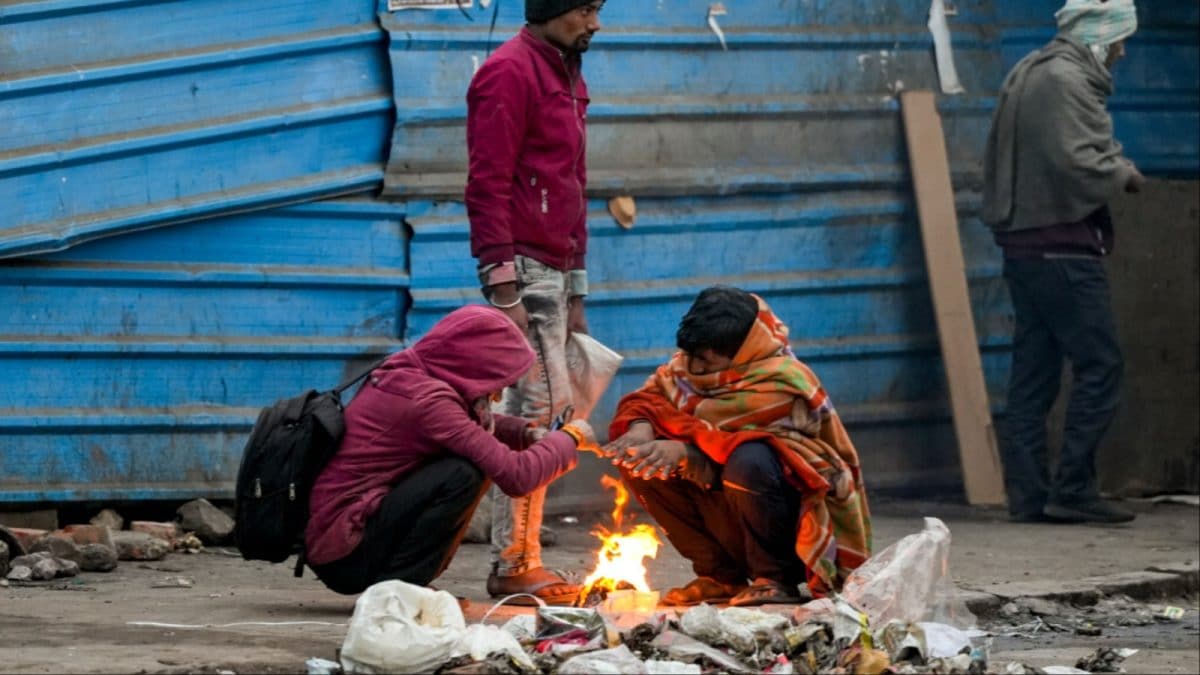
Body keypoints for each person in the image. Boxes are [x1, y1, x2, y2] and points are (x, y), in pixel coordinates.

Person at [603, 287, 871, 606]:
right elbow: (646, 401)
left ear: (742, 352)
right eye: (690, 356)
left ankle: (773, 577)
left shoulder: (787, 382)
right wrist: (640, 429)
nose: (694, 368)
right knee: (642, 462)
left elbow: (773, 451)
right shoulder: (682, 370)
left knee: (749, 460)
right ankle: (720, 577)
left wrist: (688, 453)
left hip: (794, 522)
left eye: (705, 360)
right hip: (726, 509)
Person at [464, 0, 604, 604]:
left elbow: (573, 182)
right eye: (585, 9)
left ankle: (518, 556)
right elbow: (486, 182)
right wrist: (503, 286)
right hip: (524, 269)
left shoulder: (565, 70)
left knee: (541, 411)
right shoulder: (509, 72)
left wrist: (577, 290)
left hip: (556, 272)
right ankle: (516, 562)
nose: (595, 23)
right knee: (545, 415)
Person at [303, 306, 595, 596]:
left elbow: (467, 425)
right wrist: (571, 436)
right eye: (497, 383)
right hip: (346, 552)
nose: (497, 396)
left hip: (343, 540)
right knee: (465, 472)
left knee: (468, 461)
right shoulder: (428, 401)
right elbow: (517, 476)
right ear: (474, 364)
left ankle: (404, 585)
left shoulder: (413, 374)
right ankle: (403, 589)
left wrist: (525, 433)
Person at [982, 0, 1142, 524]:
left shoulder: (1034, 69)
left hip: (1028, 249)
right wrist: (1122, 174)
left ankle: (1029, 495)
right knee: (1101, 364)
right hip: (1062, 250)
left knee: (1035, 373)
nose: (1121, 52)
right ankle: (1072, 487)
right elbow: (1079, 160)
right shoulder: (1065, 81)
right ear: (1098, 37)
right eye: (1118, 41)